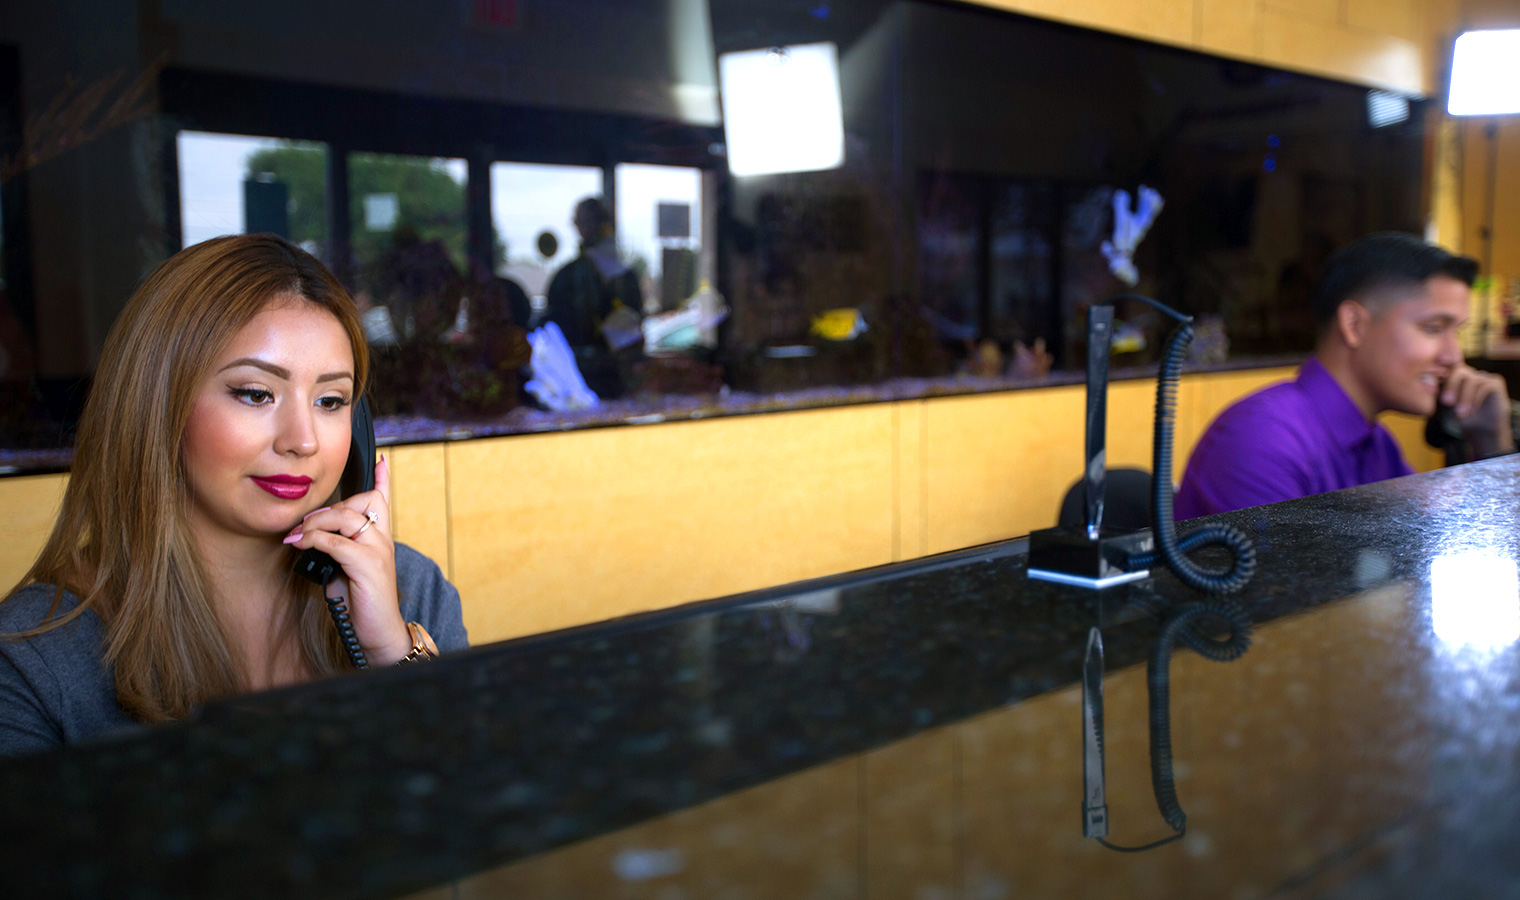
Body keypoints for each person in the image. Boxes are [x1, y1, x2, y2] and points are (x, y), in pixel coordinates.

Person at [0, 234, 468, 758]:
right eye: (255, 393)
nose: (304, 440)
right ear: (158, 406)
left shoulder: (411, 592)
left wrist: (392, 655)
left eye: (331, 400)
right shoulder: (34, 655)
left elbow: (485, 806)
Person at [1175, 232, 1514, 518]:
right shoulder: (1262, 440)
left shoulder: (1377, 444)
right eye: (1433, 328)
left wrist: (1490, 443)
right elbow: (1289, 593)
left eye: (1457, 333)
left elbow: (1450, 549)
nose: (1454, 357)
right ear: (1354, 325)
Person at [544, 197, 643, 398]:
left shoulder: (625, 279)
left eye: (594, 221)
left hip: (616, 381)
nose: (586, 228)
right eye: (582, 222)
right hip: (577, 381)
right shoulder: (567, 277)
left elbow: (634, 339)